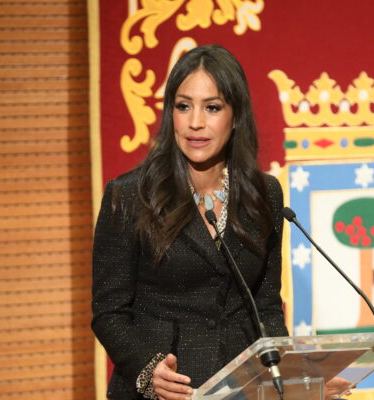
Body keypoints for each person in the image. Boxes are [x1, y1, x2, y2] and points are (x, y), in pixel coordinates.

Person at [91, 44, 288, 400]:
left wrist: (291, 375)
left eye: (212, 107)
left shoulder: (265, 193)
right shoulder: (130, 195)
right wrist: (148, 369)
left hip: (241, 388)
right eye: (183, 106)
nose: (195, 122)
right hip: (167, 389)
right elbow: (109, 312)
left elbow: (267, 306)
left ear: (236, 115)